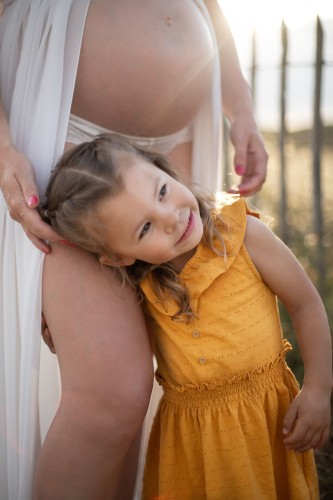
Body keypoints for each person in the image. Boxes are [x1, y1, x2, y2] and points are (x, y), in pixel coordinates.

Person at [0, 1, 268, 499]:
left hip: (178, 148)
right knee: (110, 400)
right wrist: (2, 148)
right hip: (69, 145)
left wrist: (241, 104)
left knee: (171, 386)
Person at [40, 133, 332, 499]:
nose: (171, 218)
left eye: (161, 192)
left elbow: (305, 303)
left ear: (163, 168)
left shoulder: (243, 236)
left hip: (265, 422)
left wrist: (319, 389)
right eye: (145, 228)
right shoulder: (143, 286)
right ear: (119, 257)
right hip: (193, 442)